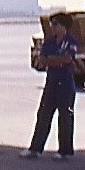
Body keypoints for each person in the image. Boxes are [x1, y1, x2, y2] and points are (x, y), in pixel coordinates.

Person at [22, 13, 78, 160]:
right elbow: (42, 60)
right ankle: (35, 148)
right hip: (51, 81)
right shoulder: (49, 42)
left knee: (65, 116)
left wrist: (53, 60)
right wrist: (55, 60)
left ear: (63, 26)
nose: (53, 27)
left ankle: (65, 151)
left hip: (65, 82)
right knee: (43, 114)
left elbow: (67, 59)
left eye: (56, 24)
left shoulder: (70, 41)